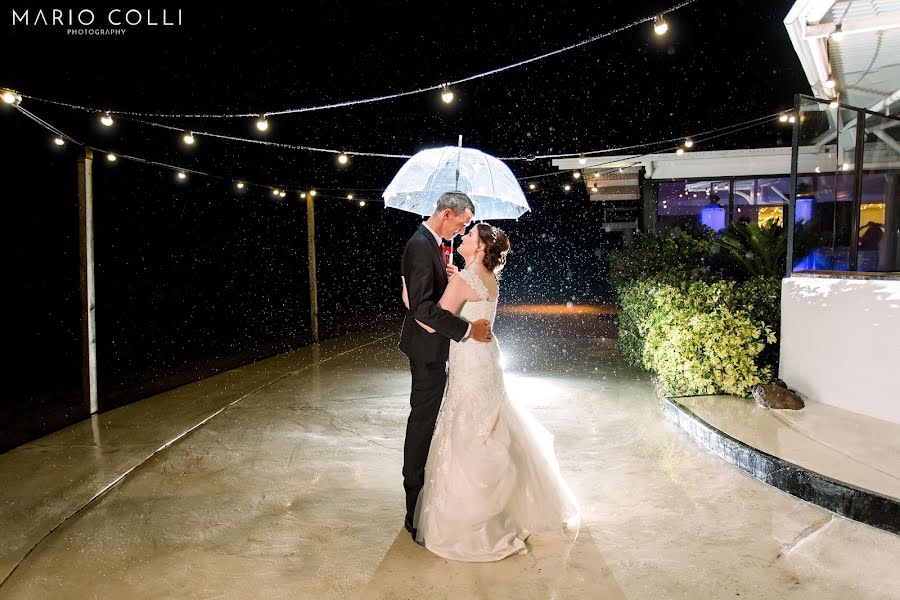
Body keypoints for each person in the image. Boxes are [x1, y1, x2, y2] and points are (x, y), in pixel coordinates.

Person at [404, 223, 580, 562]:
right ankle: (511, 510)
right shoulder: (487, 279)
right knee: (490, 419)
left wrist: (408, 294)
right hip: (486, 359)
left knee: (466, 423)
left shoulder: (463, 280)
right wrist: (457, 277)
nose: (464, 238)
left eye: (469, 236)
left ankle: (472, 518)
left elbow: (429, 320)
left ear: (481, 248)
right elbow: (468, 303)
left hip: (469, 358)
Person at [398, 192, 492, 542]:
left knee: (429, 422)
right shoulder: (420, 245)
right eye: (463, 223)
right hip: (426, 351)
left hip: (436, 349)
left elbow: (427, 295)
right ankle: (414, 508)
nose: (464, 229)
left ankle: (426, 498)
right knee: (422, 423)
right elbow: (421, 308)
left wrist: (451, 276)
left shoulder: (434, 245)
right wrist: (467, 330)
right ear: (447, 214)